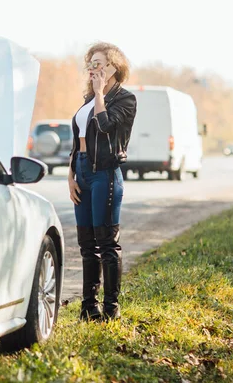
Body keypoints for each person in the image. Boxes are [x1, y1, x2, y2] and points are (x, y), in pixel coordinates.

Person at [67, 42, 137, 321]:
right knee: (87, 244)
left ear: (113, 68)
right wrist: (71, 175)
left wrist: (99, 95)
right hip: (82, 172)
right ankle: (88, 307)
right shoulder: (87, 101)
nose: (93, 69)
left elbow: (107, 126)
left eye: (99, 63)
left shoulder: (125, 99)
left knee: (107, 243)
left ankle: (111, 308)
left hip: (106, 173)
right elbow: (78, 139)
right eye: (91, 63)